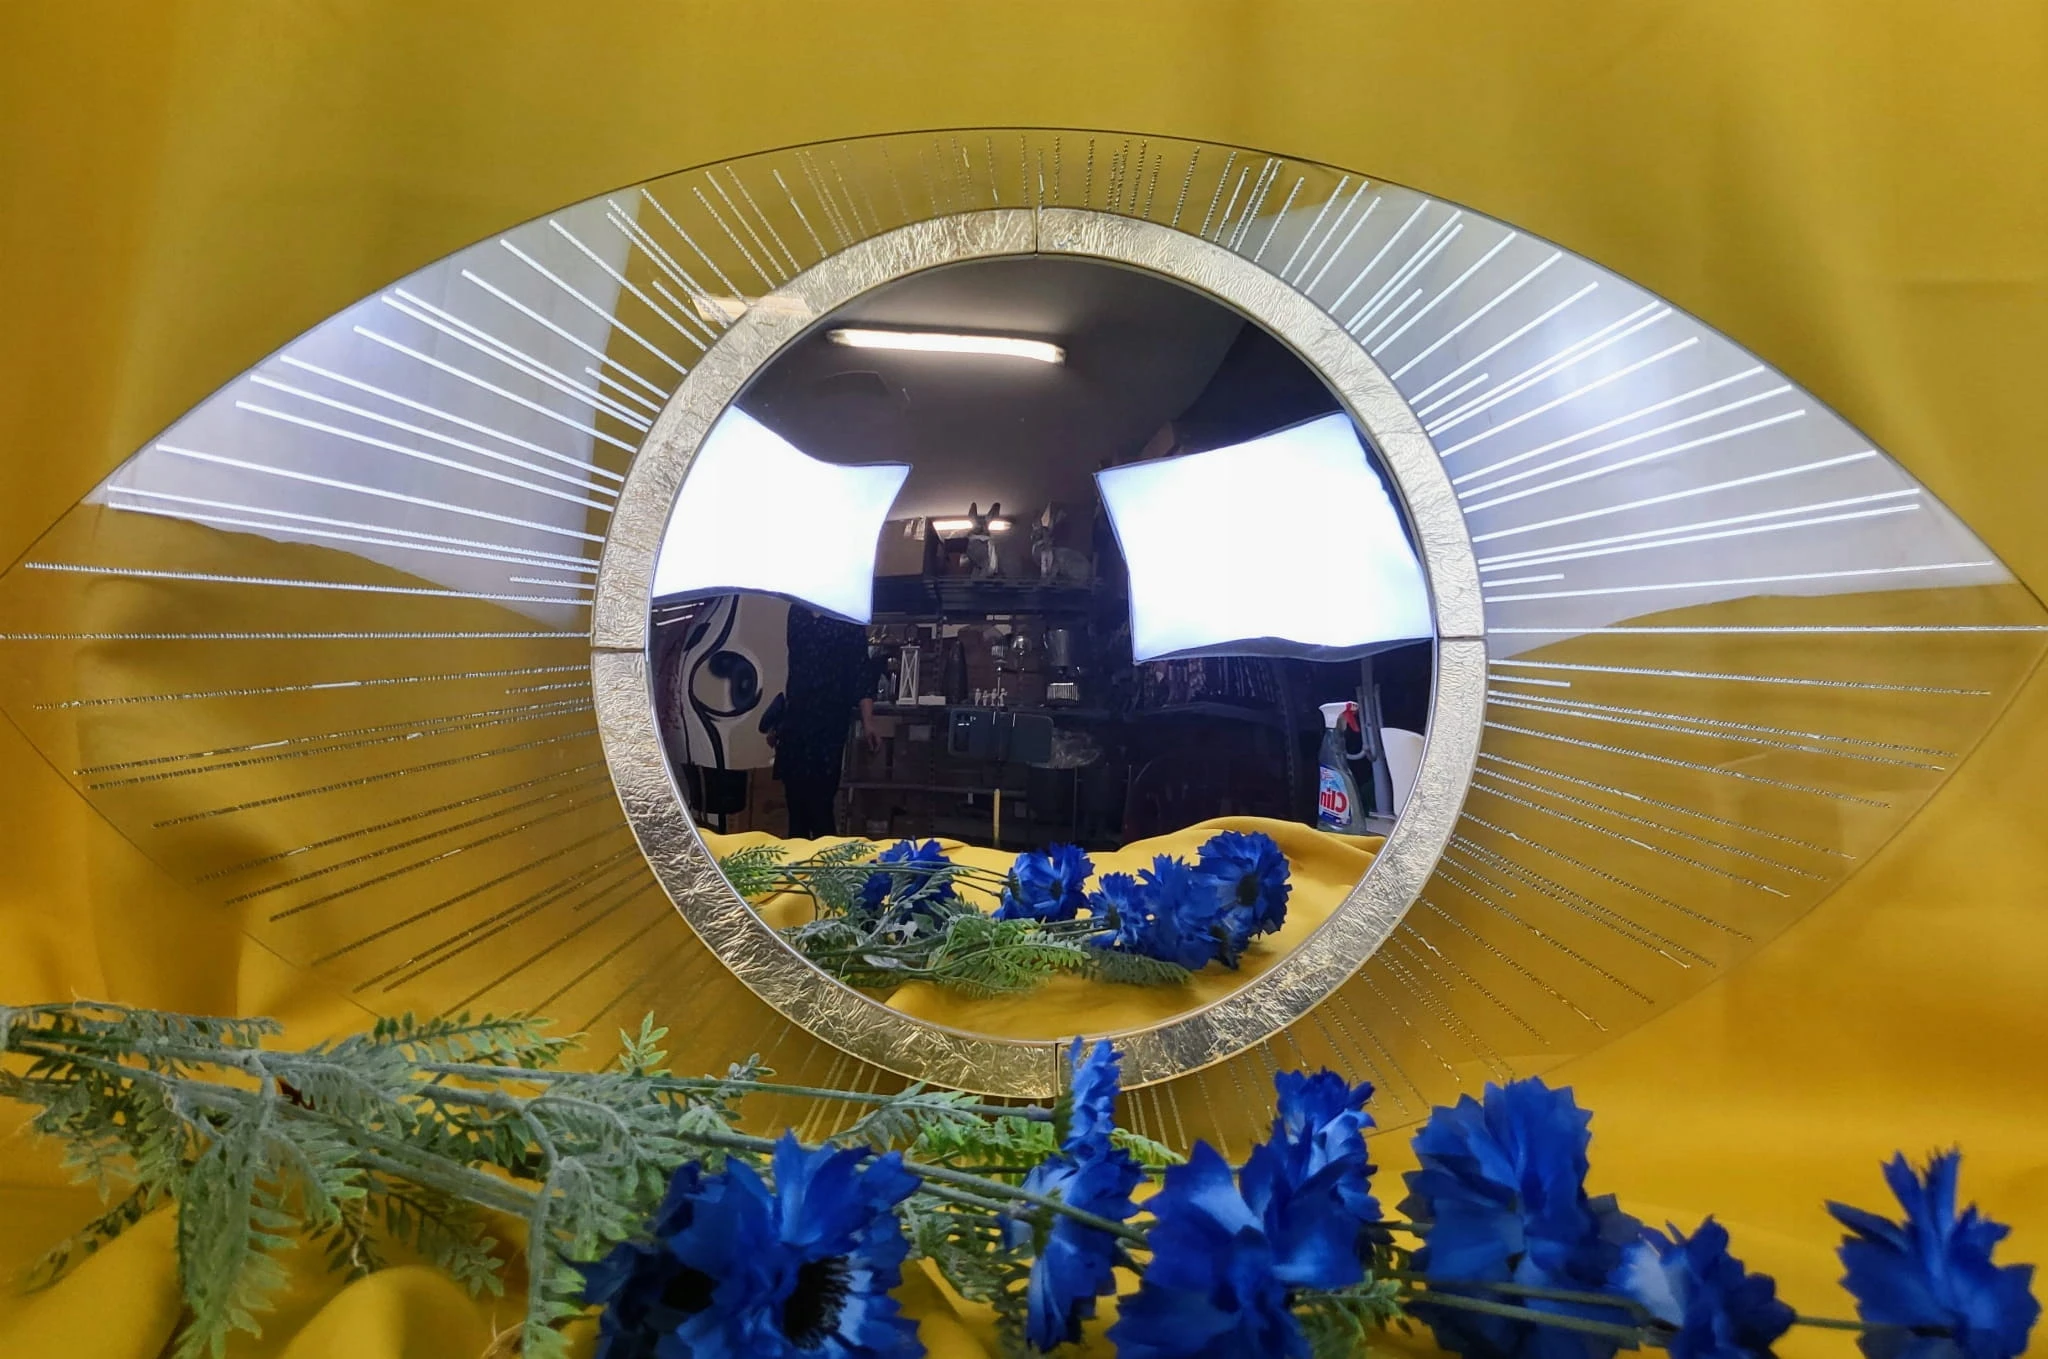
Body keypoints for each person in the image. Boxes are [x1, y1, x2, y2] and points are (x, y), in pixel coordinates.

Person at [764, 605, 882, 840]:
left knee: (821, 804)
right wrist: (780, 720)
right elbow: (796, 669)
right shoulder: (797, 612)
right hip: (796, 720)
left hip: (829, 722)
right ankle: (798, 858)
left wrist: (868, 721)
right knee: (795, 806)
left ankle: (825, 859)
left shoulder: (847, 618)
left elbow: (861, 674)